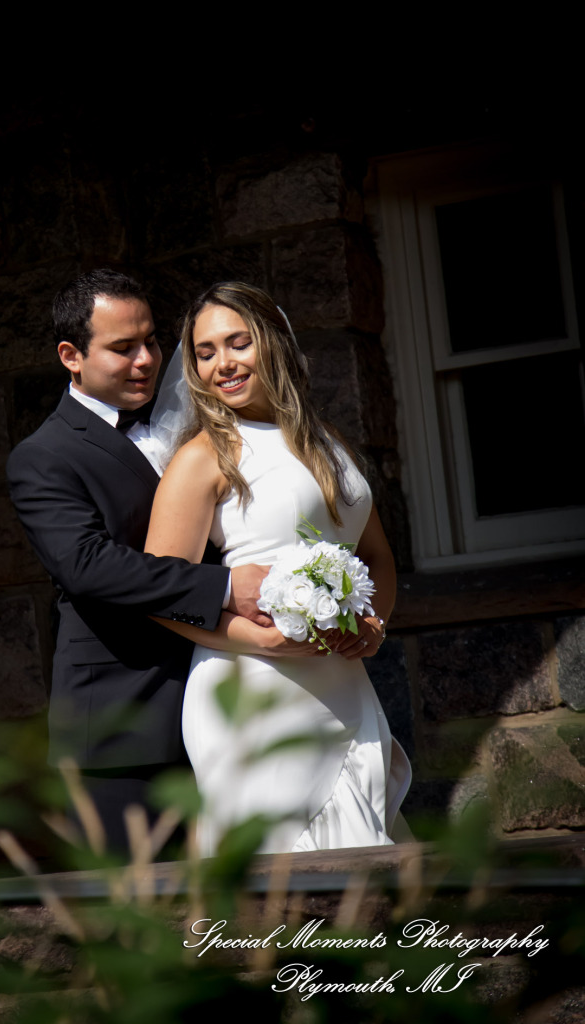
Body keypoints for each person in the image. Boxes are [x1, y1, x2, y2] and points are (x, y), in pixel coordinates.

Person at [6, 270, 311, 853]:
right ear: (71, 356)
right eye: (123, 348)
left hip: (230, 699)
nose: (146, 360)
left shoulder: (200, 428)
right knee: (140, 898)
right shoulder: (43, 456)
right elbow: (89, 566)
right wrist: (227, 587)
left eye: (151, 341)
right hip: (126, 719)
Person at [145, 281, 411, 855]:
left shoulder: (326, 441)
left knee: (367, 867)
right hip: (253, 691)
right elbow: (160, 594)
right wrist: (262, 641)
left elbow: (377, 557)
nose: (222, 364)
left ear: (274, 341)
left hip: (343, 683)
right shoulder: (203, 457)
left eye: (238, 343)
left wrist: (374, 626)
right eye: (206, 352)